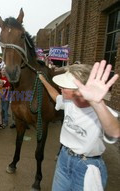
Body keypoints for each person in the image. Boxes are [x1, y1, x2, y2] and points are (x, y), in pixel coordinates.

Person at [39, 60, 120, 191]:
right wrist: (43, 80)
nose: (60, 87)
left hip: (87, 166)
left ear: (80, 90)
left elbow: (115, 132)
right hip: (64, 159)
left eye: (64, 86)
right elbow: (56, 96)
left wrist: (97, 103)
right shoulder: (69, 101)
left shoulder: (102, 112)